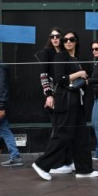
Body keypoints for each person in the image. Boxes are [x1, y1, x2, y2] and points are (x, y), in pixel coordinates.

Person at [32, 30, 98, 180]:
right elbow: (59, 79)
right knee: (64, 134)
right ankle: (42, 164)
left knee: (81, 136)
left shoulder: (75, 58)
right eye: (66, 40)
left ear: (76, 41)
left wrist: (84, 78)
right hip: (66, 101)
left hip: (77, 101)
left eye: (71, 39)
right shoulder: (60, 56)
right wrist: (79, 74)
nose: (68, 42)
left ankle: (84, 169)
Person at [35, 27, 73, 174]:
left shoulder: (65, 53)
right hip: (54, 95)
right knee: (58, 129)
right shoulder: (47, 53)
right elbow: (43, 75)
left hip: (67, 95)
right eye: (52, 37)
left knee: (66, 129)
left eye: (58, 36)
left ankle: (67, 161)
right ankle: (54, 163)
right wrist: (49, 95)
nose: (55, 39)